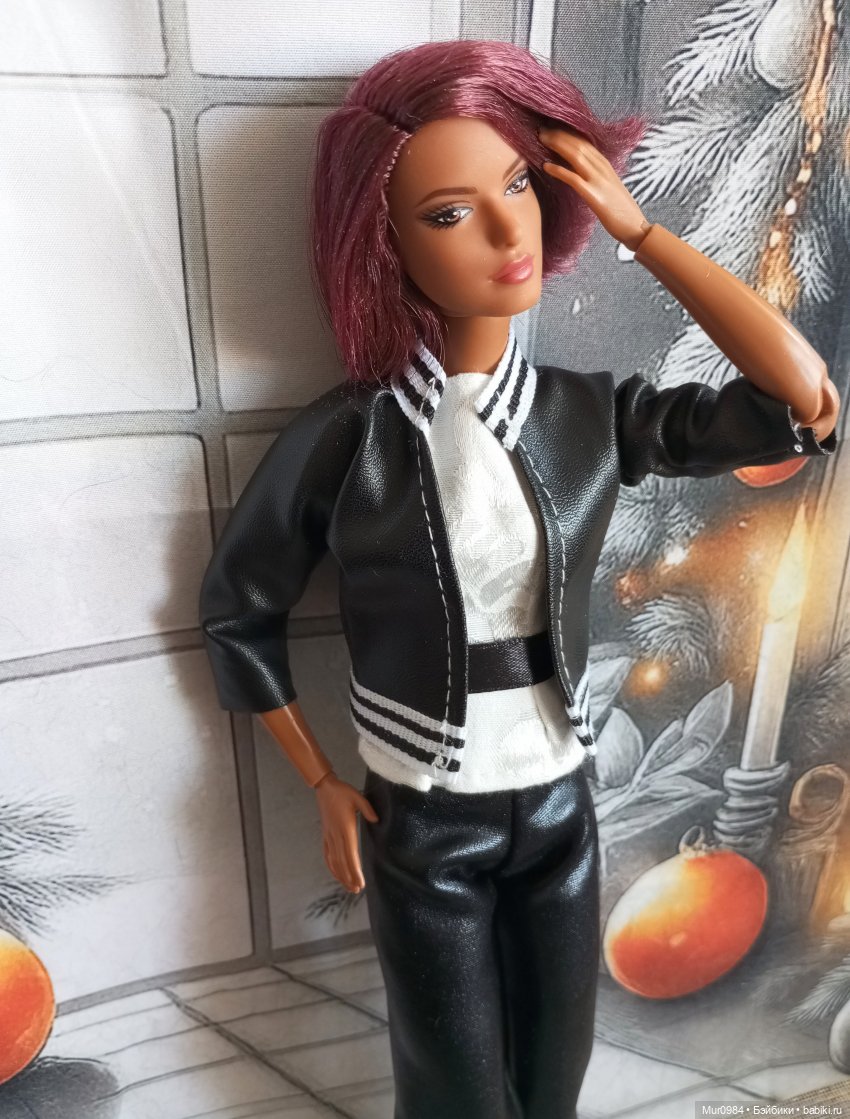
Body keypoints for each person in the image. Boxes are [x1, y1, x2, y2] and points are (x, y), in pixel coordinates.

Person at [198, 39, 840, 1119]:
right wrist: (320, 782)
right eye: (450, 213)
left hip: (558, 801)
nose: (508, 233)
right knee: (451, 1088)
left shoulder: (585, 415)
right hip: (424, 815)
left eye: (518, 187)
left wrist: (643, 234)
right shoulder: (351, 437)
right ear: (385, 244)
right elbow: (237, 610)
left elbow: (801, 402)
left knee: (554, 1076)